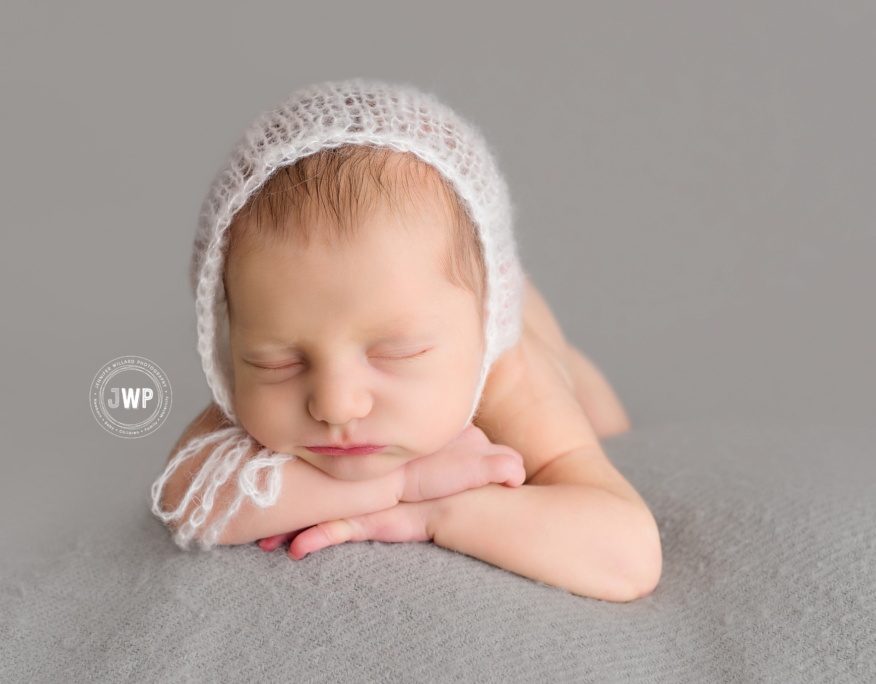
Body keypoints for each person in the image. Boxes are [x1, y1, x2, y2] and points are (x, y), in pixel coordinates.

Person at [150, 80, 660, 602]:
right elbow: (185, 495)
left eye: (398, 352)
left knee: (603, 426)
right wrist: (397, 488)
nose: (334, 403)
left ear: (484, 330)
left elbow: (628, 556)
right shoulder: (264, 379)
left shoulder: (511, 374)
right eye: (277, 361)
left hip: (547, 350)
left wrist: (437, 511)